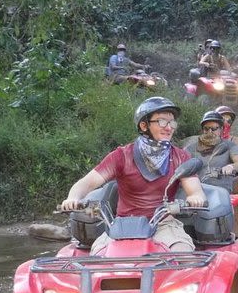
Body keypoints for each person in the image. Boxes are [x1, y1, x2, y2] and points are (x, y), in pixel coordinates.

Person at [61, 97, 207, 253]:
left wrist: (195, 198)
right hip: (121, 225)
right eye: (162, 122)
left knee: (183, 254)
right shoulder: (121, 156)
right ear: (144, 125)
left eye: (172, 122)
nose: (169, 127)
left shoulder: (181, 157)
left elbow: (195, 190)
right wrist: (73, 197)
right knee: (97, 257)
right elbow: (87, 183)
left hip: (164, 224)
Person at [185, 111, 238, 232]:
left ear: (221, 129)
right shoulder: (191, 148)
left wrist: (232, 167)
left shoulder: (230, 146)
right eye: (206, 129)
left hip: (225, 187)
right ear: (202, 130)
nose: (210, 132)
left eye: (214, 128)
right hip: (199, 189)